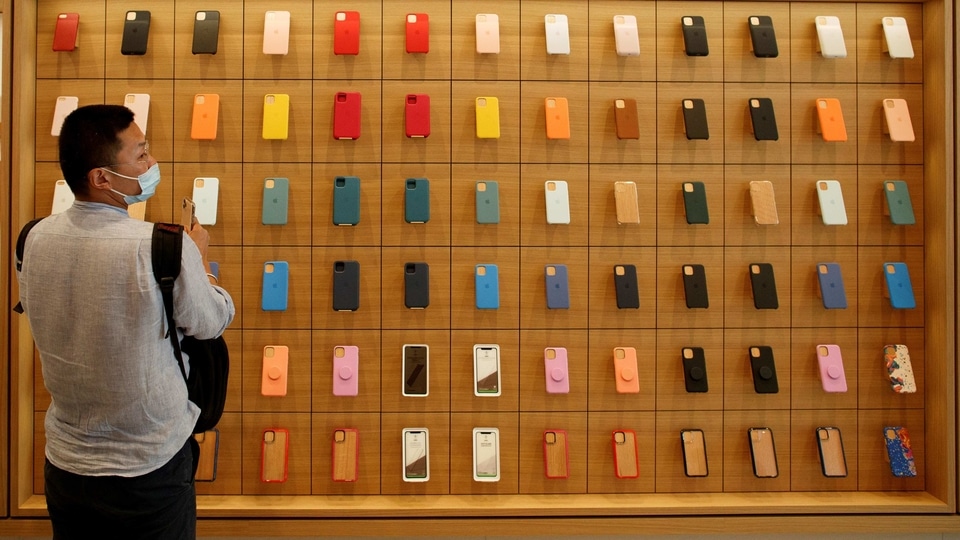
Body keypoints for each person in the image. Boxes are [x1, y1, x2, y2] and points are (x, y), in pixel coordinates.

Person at [16, 104, 235, 539]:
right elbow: (209, 321)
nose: (152, 165)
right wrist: (203, 264)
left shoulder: (32, 237)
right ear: (101, 177)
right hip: (148, 463)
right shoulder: (162, 244)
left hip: (67, 461)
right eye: (141, 155)